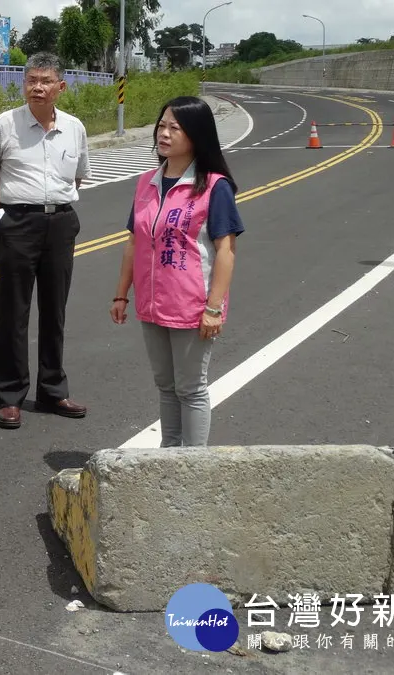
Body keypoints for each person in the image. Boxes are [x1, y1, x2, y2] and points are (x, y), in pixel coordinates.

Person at [110, 96, 244, 447]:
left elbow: (226, 252)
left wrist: (214, 308)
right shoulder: (147, 184)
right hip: (153, 305)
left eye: (175, 128)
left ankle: (194, 464)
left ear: (196, 136)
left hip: (192, 307)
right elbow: (135, 242)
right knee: (166, 387)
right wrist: (122, 293)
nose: (164, 134)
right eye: (161, 125)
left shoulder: (214, 187)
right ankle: (169, 458)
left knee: (191, 389)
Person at [0, 53, 91, 430]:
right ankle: (10, 395)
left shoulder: (75, 127)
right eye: (31, 80)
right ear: (23, 85)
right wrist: (6, 214)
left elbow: (77, 178)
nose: (38, 87)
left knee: (54, 310)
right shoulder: (3, 125)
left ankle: (52, 390)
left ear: (61, 87)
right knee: (14, 312)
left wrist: (53, 207)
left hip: (60, 222)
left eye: (46, 81)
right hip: (18, 222)